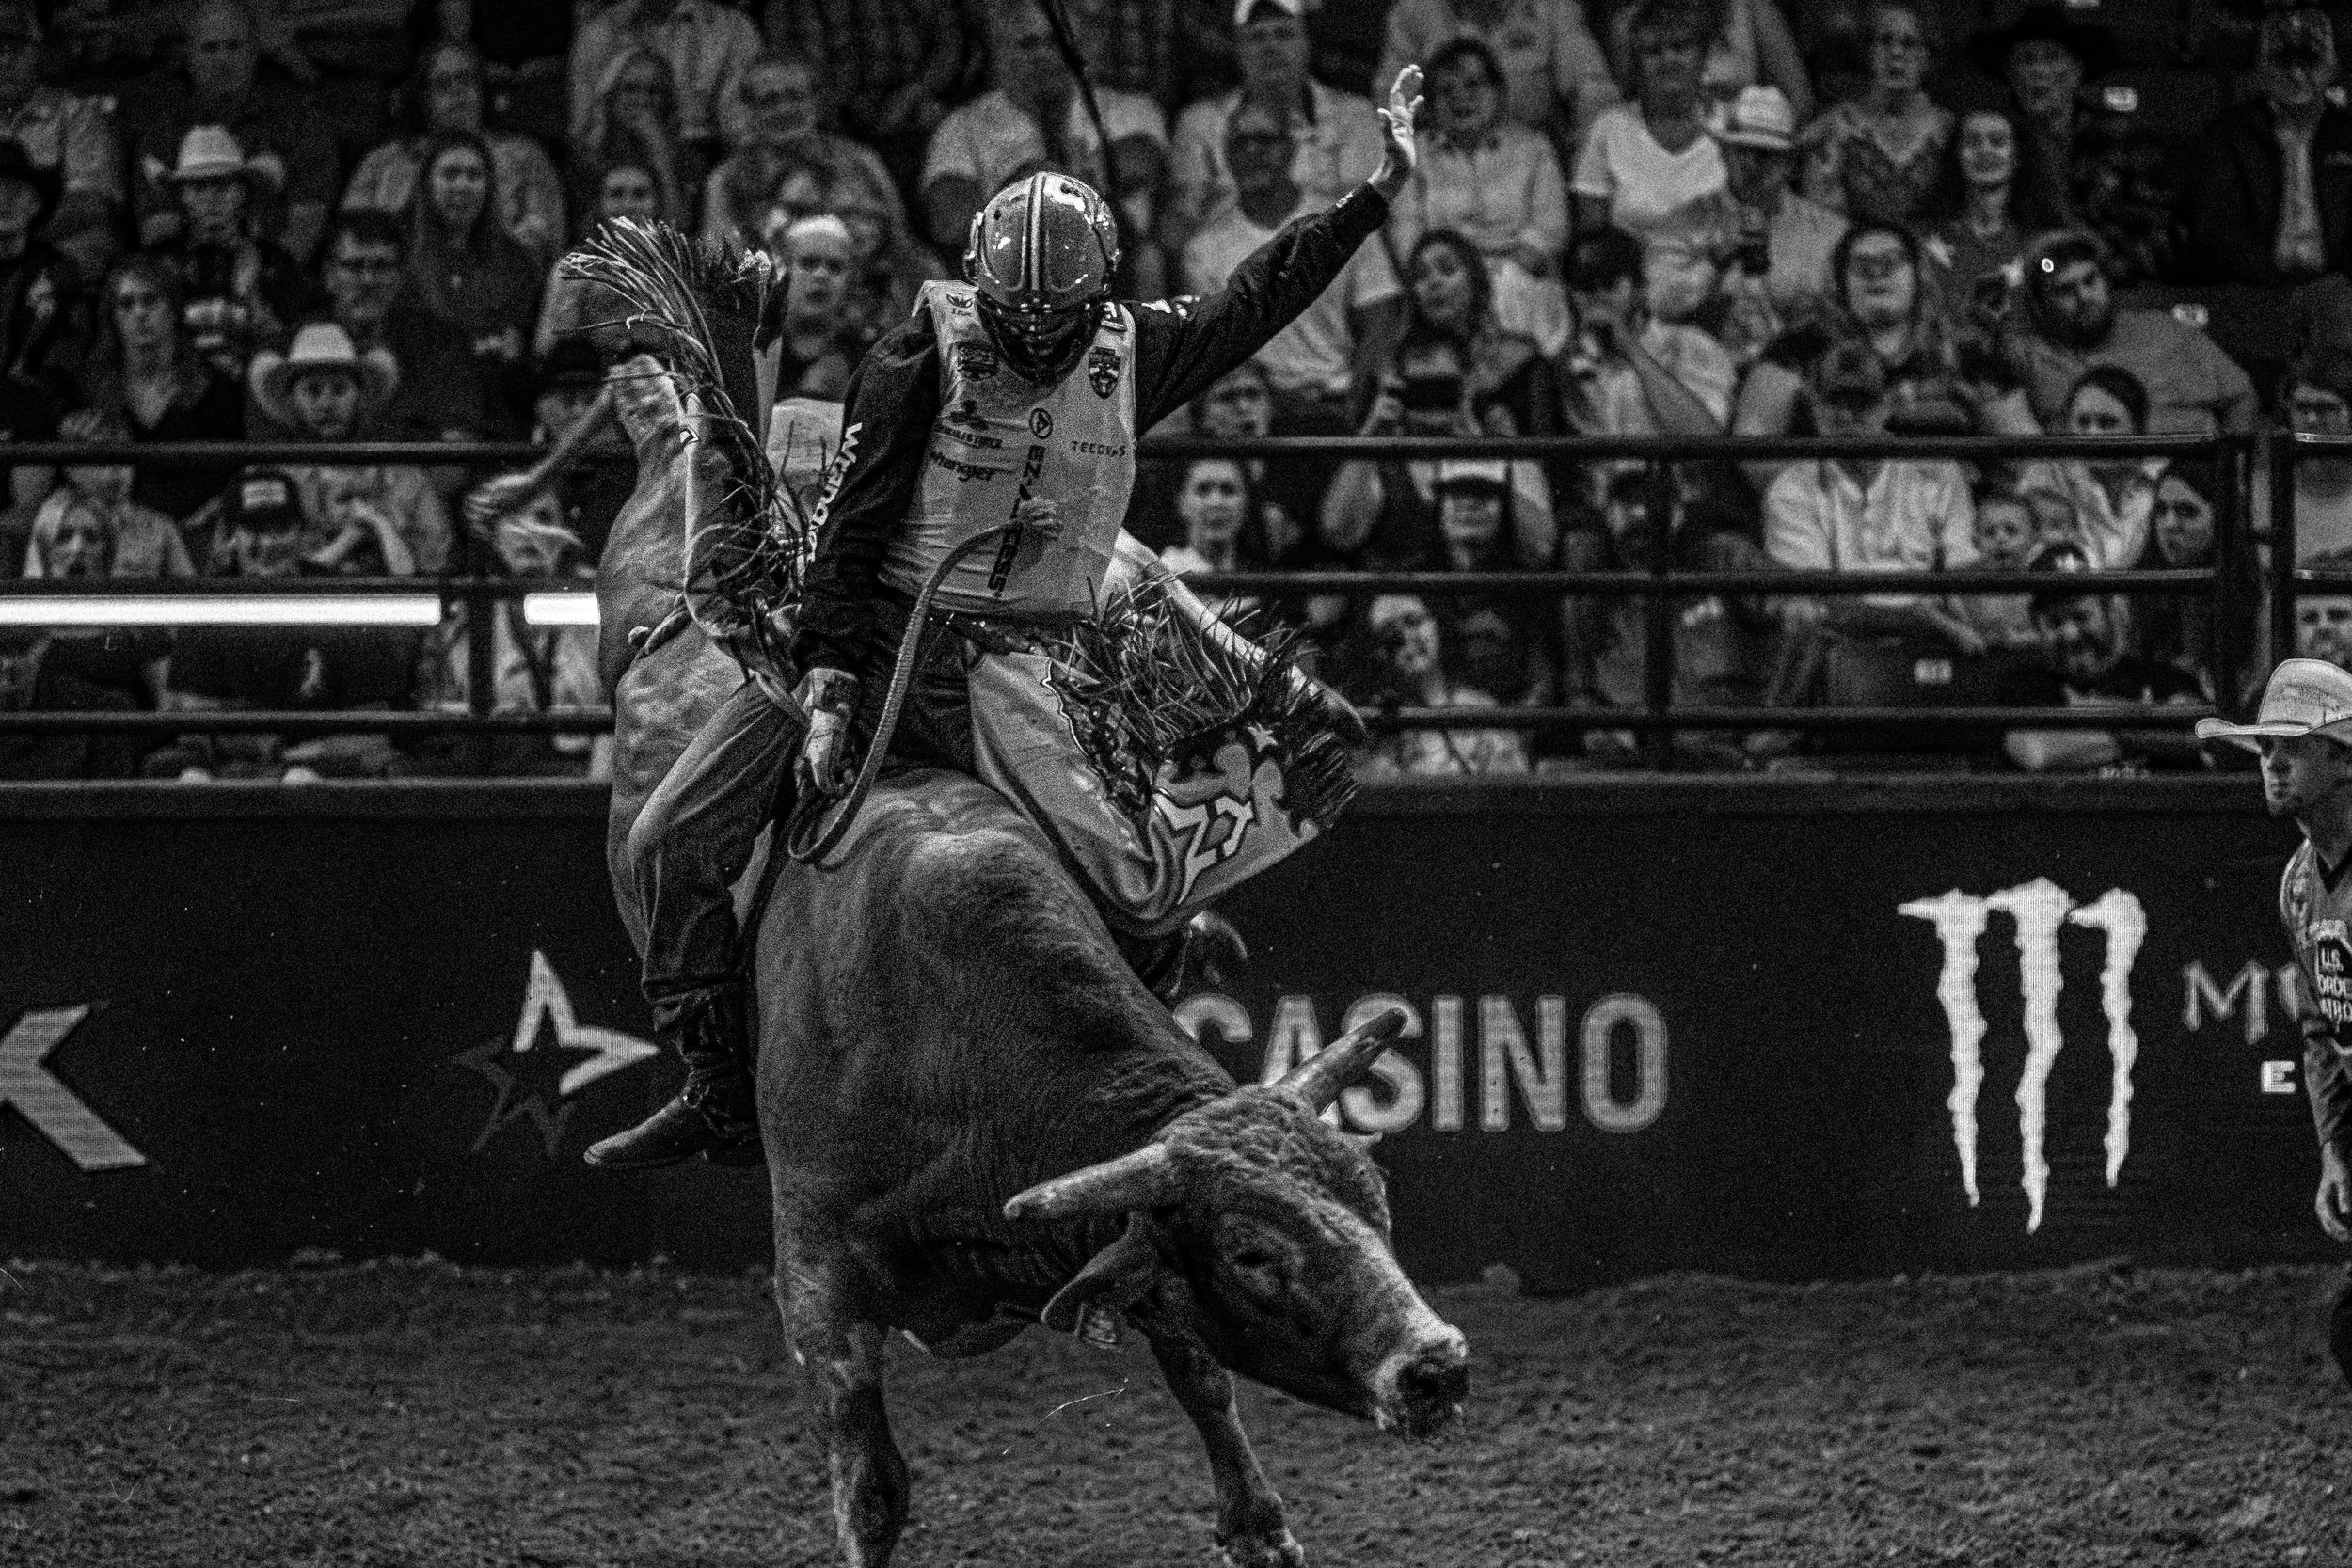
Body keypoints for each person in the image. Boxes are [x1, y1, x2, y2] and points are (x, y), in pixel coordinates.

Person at [589, 70, 1429, 1171]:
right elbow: (851, 530)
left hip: (1013, 654)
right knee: (671, 838)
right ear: (980, 287)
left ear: (1096, 302)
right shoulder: (915, 356)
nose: (1032, 340)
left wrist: (1374, 192)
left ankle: (1152, 956)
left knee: (1130, 879)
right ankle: (715, 1080)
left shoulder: (1138, 350)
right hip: (879, 637)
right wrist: (832, 683)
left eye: (1056, 324)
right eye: (1012, 318)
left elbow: (1259, 293)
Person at [2197, 657, 2352, 1386]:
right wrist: (2335, 1150)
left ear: (2342, 758)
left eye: (2291, 746)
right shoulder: (2298, 885)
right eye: (2264, 750)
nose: (2274, 764)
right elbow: (2324, 1024)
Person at [149, 467, 418, 783]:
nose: (268, 543)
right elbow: (195, 729)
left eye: (280, 528)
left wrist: (309, 760)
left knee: (302, 780)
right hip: (238, 772)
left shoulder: (340, 598)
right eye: (254, 529)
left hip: (325, 770)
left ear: (302, 532)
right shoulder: (211, 605)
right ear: (233, 536)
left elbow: (373, 728)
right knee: (187, 778)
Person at [1181, 98, 1405, 431]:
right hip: (1257, 415)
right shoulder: (1204, 249)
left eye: (1265, 140)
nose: (1253, 152)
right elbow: (1217, 352)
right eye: (1240, 142)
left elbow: (1380, 321)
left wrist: (1354, 409)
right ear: (1226, 156)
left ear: (1292, 147)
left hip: (1340, 401)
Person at [918, 0, 1170, 279]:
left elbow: (1147, 161)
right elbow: (946, 221)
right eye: (1028, 43)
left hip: (1116, 276)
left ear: (1083, 45)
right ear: (999, 49)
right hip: (1008, 283)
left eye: (1056, 42)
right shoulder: (962, 126)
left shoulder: (1131, 110)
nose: (1044, 55)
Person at [1762, 340, 1981, 654]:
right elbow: (1821, 608)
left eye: (1861, 402)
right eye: (1835, 401)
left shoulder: (1937, 470)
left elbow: (1965, 575)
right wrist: (1923, 620)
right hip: (1844, 649)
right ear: (1815, 405)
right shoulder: (1792, 488)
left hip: (1939, 643)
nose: (1847, 415)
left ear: (1887, 405)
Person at [119, 0, 334, 263]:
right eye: (210, 48)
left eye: (234, 46)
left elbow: (306, 223)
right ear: (189, 56)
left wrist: (268, 280)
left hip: (276, 274)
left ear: (254, 52)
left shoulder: (301, 123)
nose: (222, 59)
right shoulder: (161, 132)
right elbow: (159, 230)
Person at [1384, 37, 1569, 335]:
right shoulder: (1412, 156)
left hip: (1518, 276)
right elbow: (1408, 237)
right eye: (1446, 90)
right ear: (1429, 105)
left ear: (1498, 93)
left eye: (1473, 85)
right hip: (1443, 284)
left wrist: (1494, 280)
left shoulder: (1533, 148)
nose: (1461, 98)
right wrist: (1452, 279)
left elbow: (1549, 229)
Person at [1168, 0, 1385, 252]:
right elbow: (1183, 220)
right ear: (1238, 50)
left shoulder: (1354, 115)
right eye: (1257, 37)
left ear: (1307, 45)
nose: (1271, 48)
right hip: (1229, 261)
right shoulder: (1199, 122)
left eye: (1284, 34)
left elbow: (1363, 216)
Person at [2000, 229, 2260, 438]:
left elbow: (2241, 395)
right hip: (2082, 494)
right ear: (2041, 306)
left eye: (2090, 281)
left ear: (2106, 280)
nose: (2084, 297)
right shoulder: (2029, 355)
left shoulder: (2164, 332)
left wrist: (2230, 478)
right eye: (2065, 291)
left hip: (2182, 484)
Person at [245, 321, 451, 577]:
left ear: (360, 397)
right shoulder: (269, 476)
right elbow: (259, 567)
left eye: (340, 389)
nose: (327, 403)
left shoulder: (404, 475)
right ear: (293, 401)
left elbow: (437, 563)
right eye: (312, 390)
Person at [342, 40, 567, 270]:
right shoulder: (383, 162)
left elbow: (544, 239)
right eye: (442, 83)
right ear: (423, 98)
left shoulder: (526, 157)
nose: (457, 91)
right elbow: (350, 235)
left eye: (466, 79)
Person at [1997, 540, 2204, 773]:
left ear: (2107, 610)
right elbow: (2038, 754)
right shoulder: (2022, 685)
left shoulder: (2162, 676)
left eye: (2081, 617)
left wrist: (2093, 711)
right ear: (2036, 624)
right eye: (2055, 622)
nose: (2071, 634)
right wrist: (2147, 723)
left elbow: (2194, 737)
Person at [2186, 7, 2352, 289]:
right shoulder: (2229, 136)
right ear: (2262, 68)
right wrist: (2270, 282)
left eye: (2309, 61)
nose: (2297, 75)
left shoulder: (2348, 134)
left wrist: (2339, 282)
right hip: (2253, 289)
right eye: (2283, 62)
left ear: (2331, 68)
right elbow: (2216, 229)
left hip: (2340, 291)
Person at [1679, 83, 1843, 366]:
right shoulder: (1685, 222)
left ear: (1790, 164)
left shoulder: (1830, 234)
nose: (1752, 164)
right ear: (1723, 154)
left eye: (1766, 154)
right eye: (1741, 151)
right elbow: (1663, 310)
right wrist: (1714, 268)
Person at [76, 252, 245, 519]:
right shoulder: (92, 391)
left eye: (150, 301)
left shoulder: (215, 388)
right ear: (114, 318)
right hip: (117, 530)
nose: (139, 313)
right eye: (126, 304)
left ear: (173, 310)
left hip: (199, 527)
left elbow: (232, 474)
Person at [311, 208, 498, 443]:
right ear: (329, 275)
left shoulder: (443, 342)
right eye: (355, 266)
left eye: (382, 266)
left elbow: (459, 443)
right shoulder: (296, 345)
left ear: (400, 275)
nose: (369, 281)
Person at [697, 50, 904, 258]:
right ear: (750, 111)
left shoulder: (862, 162)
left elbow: (899, 243)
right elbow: (718, 264)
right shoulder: (725, 182)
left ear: (816, 101)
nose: (784, 110)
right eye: (770, 101)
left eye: (794, 97)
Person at [402, 132, 544, 422]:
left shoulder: (516, 262)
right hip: (420, 409)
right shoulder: (400, 253)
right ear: (427, 183)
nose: (462, 186)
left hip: (497, 409)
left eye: (474, 175)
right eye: (450, 174)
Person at [758, 0, 969, 190]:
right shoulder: (785, 7)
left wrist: (911, 95)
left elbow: (948, 45)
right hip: (826, 126)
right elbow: (780, 65)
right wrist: (840, 102)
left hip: (913, 118)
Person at [154, 126, 305, 385]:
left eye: (223, 186)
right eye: (199, 188)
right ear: (183, 196)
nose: (211, 198)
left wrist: (252, 296)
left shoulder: (274, 262)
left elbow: (292, 345)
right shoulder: (160, 263)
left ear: (242, 192)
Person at [1571, 1, 1724, 250]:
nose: (1668, 60)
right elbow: (1593, 237)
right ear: (1635, 64)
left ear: (1703, 55)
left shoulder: (1732, 126)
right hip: (1632, 280)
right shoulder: (1608, 129)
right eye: (1653, 52)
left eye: (1681, 47)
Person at [1375, 0, 1620, 155]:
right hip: (1444, 156)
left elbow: (1594, 88)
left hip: (1532, 155)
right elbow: (1390, 100)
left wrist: (1581, 170)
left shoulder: (1553, 8)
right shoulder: (1412, 12)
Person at [0, 2, 123, 284]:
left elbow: (93, 203)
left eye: (16, 49)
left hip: (52, 257)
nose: (5, 61)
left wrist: (19, 241)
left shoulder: (75, 115)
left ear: (38, 51)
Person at [1798, 0, 1948, 230]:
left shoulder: (1947, 129)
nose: (1896, 53)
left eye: (1909, 44)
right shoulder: (1836, 126)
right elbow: (1817, 220)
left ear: (1926, 56)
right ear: (1869, 51)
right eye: (1885, 41)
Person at [1349, 591, 1531, 777]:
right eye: (1389, 633)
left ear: (1436, 625)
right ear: (1378, 651)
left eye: (1413, 621)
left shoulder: (1480, 710)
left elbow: (1513, 791)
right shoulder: (1373, 723)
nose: (1405, 637)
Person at [568, 0, 762, 159]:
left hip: (703, 162)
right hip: (615, 163)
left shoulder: (735, 31)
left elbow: (740, 129)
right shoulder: (599, 35)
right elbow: (584, 132)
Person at [2017, 365, 2158, 571]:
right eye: (2083, 422)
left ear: (2138, 429)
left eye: (2106, 423)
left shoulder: (2164, 477)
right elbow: (2026, 555)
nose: (2093, 434)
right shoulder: (2044, 477)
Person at [25, 407, 193, 579]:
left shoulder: (159, 527)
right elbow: (32, 588)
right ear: (72, 468)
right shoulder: (51, 521)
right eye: (104, 458)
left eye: (125, 456)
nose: (117, 469)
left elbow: (190, 596)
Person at [1601, 0, 1811, 126]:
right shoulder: (1628, 24)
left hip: (1747, 148)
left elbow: (1798, 101)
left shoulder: (1748, 8)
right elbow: (1628, 109)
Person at [573, 48, 704, 230]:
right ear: (613, 96)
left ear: (667, 99)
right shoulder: (588, 157)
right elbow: (583, 230)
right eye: (630, 89)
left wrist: (660, 154)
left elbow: (679, 229)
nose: (642, 99)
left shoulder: (688, 160)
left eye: (653, 91)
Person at [1922, 96, 2028, 316]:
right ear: (1957, 156)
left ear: (2017, 156)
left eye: (1998, 141)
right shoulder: (1925, 240)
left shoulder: (2040, 241)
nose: (1985, 150)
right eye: (1972, 142)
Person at [761, 214, 865, 403]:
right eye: (809, 263)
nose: (821, 275)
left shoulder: (865, 356)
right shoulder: (757, 346)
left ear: (850, 280)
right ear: (782, 270)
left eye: (835, 267)